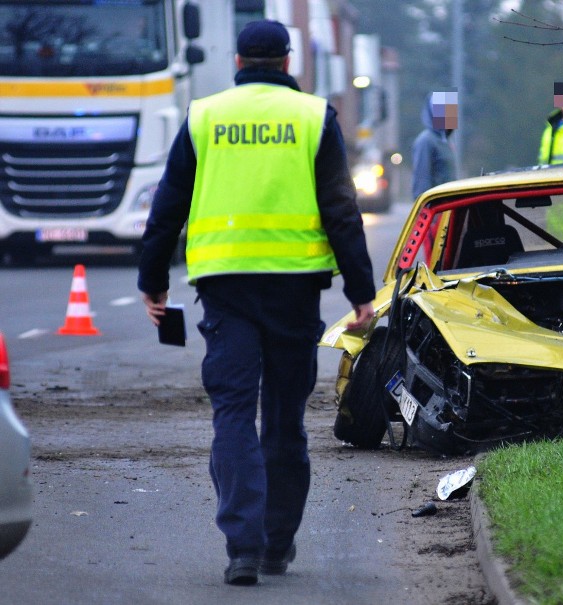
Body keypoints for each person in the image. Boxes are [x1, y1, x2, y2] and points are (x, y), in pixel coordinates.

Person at [137, 19, 375, 586]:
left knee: (234, 415)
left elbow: (168, 205)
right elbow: (340, 208)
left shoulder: (204, 116)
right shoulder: (314, 116)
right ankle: (275, 545)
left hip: (225, 288)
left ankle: (242, 549)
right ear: (287, 61)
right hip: (294, 289)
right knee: (285, 421)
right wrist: (361, 292)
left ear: (239, 62)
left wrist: (153, 280)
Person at [411, 90, 458, 261]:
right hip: (435, 216)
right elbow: (421, 182)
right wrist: (426, 219)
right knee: (436, 265)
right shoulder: (425, 141)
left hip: (450, 214)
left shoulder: (446, 141)